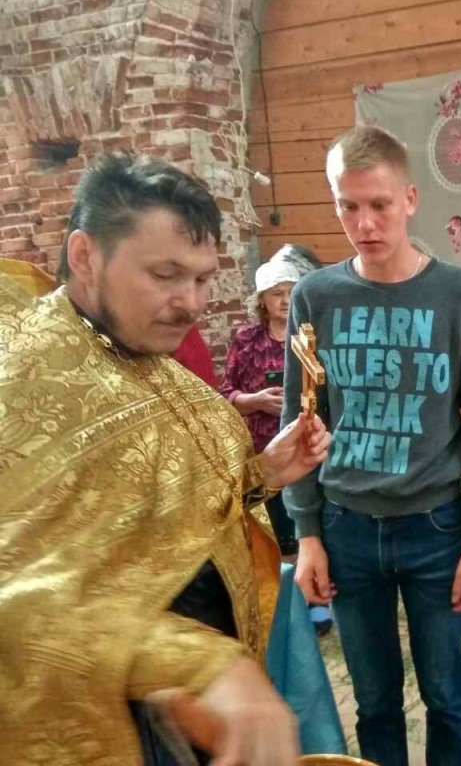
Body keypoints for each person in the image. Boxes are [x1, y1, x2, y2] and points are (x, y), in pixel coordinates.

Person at [0, 154, 332, 766]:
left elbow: (162, 505)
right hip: (95, 715)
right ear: (85, 255)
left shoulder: (159, 366)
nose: (191, 303)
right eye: (165, 274)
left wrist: (261, 475)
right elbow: (16, 591)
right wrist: (194, 660)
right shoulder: (16, 377)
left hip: (195, 708)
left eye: (203, 279)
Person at [284, 125, 461, 766]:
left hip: (435, 526)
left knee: (446, 694)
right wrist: (307, 535)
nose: (364, 223)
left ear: (409, 199)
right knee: (374, 698)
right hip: (346, 526)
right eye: (348, 206)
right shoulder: (315, 297)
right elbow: (302, 421)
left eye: (379, 204)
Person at [222, 257, 304, 557]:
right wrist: (256, 400)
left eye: (292, 292)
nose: (285, 300)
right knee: (273, 541)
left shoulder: (309, 335)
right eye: (277, 293)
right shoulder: (246, 339)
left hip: (304, 448)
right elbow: (226, 394)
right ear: (262, 300)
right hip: (262, 453)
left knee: (306, 534)